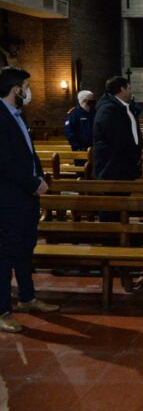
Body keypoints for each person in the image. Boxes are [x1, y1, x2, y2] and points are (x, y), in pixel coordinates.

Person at [0, 66, 59, 334]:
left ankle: (27, 297)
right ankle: (2, 311)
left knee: (26, 249)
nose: (28, 91)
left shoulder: (18, 115)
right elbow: (4, 163)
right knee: (5, 255)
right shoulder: (0, 117)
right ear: (16, 90)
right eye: (26, 86)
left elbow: (29, 153)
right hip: (9, 199)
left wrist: (41, 176)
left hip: (26, 198)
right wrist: (33, 183)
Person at [93, 76, 143, 181]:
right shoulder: (107, 110)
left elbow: (134, 131)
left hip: (124, 165)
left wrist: (141, 147)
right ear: (122, 89)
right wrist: (138, 154)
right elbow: (120, 139)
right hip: (112, 168)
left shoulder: (123, 107)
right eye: (129, 88)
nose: (131, 92)